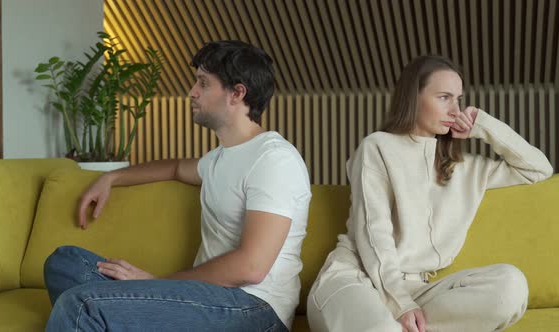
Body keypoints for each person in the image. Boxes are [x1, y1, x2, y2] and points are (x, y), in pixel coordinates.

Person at [44, 40, 312, 332]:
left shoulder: (273, 159)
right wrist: (111, 178)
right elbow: (173, 167)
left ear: (237, 93)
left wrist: (157, 284)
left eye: (203, 83)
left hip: (253, 310)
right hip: (203, 301)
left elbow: (251, 266)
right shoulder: (219, 160)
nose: (191, 92)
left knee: (81, 305)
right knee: (65, 263)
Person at [307, 55, 554, 332]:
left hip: (418, 290)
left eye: (458, 99)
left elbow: (538, 169)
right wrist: (399, 304)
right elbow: (373, 232)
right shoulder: (377, 147)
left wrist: (483, 127)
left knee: (511, 284)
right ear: (414, 98)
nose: (455, 109)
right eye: (444, 97)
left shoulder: (466, 169)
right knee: (381, 328)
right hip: (355, 279)